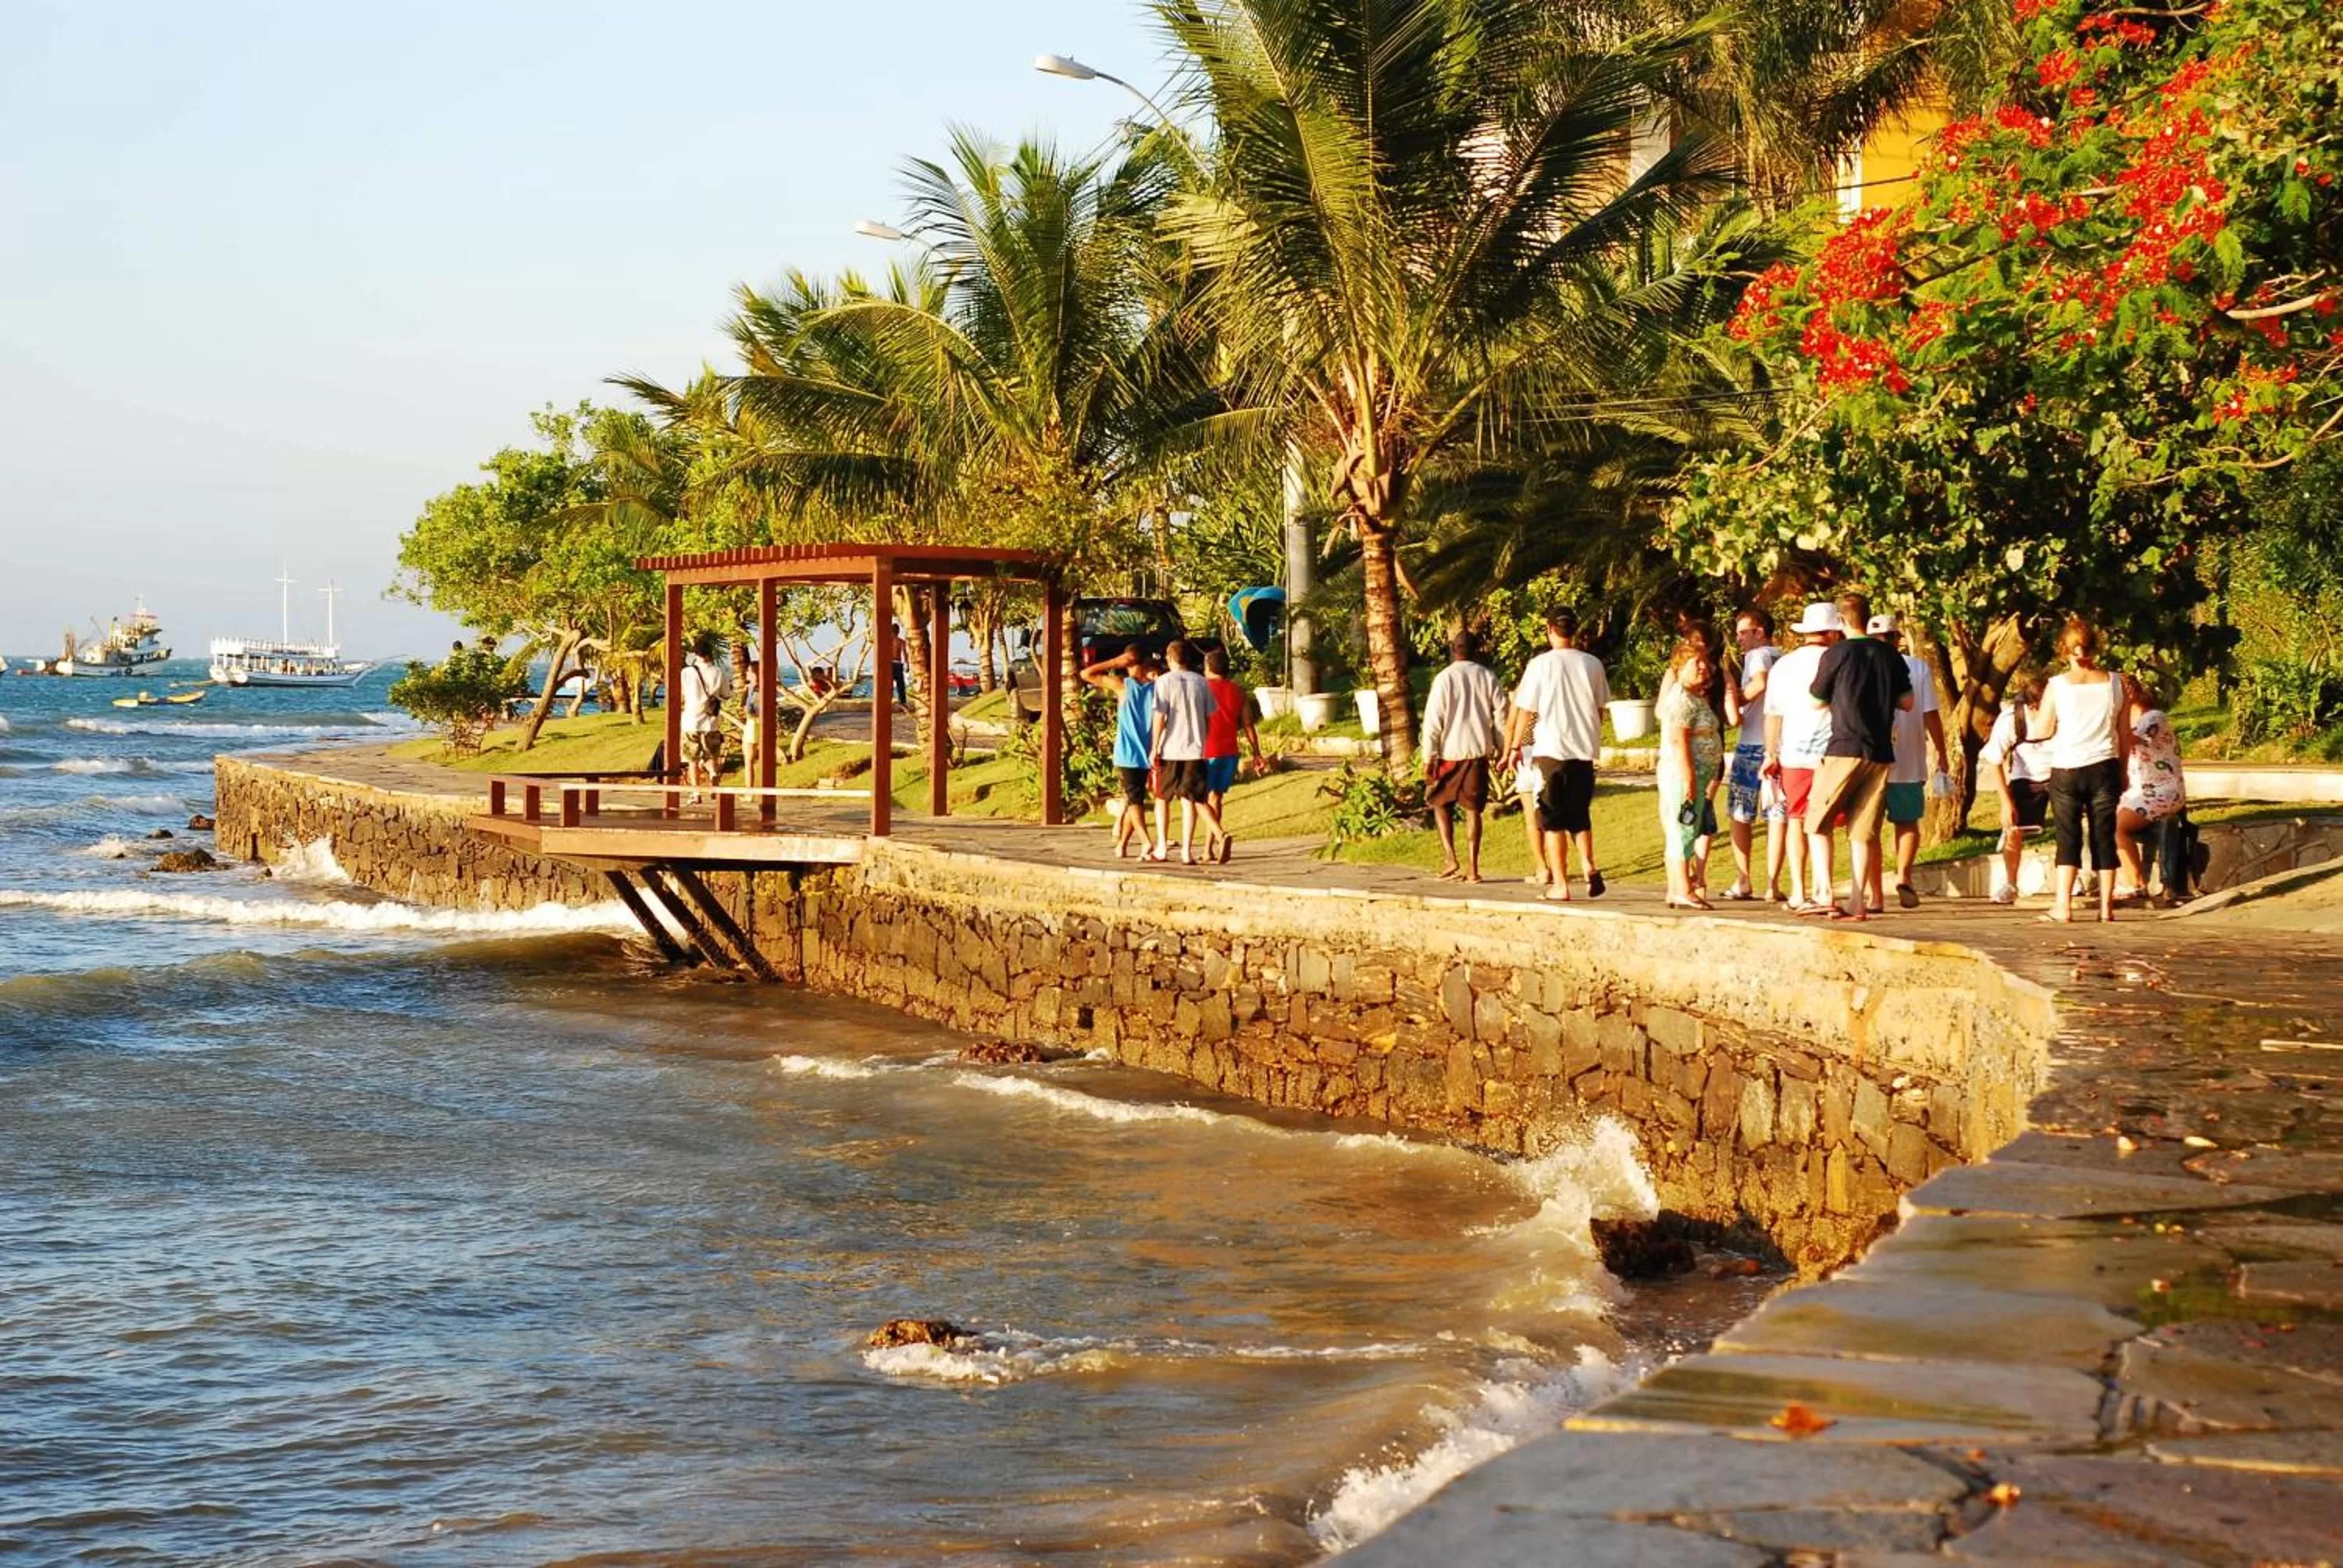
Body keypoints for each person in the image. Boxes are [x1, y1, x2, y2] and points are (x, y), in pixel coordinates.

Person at [1803, 591, 1913, 922]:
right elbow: (1907, 702)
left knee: (1816, 822)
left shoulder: (1837, 653)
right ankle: (1857, 901)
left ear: (1841, 620)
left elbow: (1815, 699)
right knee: (1862, 831)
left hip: (1844, 747)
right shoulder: (1891, 656)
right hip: (1880, 752)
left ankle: (1823, 893)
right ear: (1868, 617)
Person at [2025, 618, 2132, 923]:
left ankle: (2063, 907)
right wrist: (2123, 772)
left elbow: (2042, 729)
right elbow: (2123, 732)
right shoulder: (2115, 682)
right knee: (2104, 836)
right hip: (2105, 766)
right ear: (2095, 647)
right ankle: (2106, 908)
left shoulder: (2057, 686)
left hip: (2067, 767)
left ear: (2063, 649)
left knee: (2068, 836)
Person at [1504, 609, 1610, 902]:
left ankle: (1561, 884)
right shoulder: (1592, 664)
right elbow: (1600, 709)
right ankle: (1589, 864)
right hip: (1583, 749)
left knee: (1552, 818)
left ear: (1550, 630)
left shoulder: (1539, 665)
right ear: (1574, 631)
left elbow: (1527, 710)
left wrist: (1514, 747)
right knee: (1579, 814)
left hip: (1550, 749)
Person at [1760, 602, 1844, 912]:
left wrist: (1771, 752)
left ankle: (1798, 888)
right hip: (1832, 752)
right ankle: (1824, 887)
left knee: (1796, 818)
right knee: (1823, 823)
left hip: (1793, 753)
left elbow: (1773, 714)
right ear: (1833, 632)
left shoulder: (1784, 665)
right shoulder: (1839, 659)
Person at [1866, 614, 1949, 911]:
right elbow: (1930, 713)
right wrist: (1941, 751)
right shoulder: (1916, 667)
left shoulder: (1863, 664)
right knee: (1906, 821)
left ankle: (1875, 894)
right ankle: (1903, 876)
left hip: (1871, 758)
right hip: (1908, 758)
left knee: (1869, 828)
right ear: (1897, 638)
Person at [1421, 629, 1507, 882]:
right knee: (1473, 810)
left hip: (1450, 753)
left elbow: (1432, 722)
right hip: (1478, 752)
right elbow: (1501, 717)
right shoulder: (1488, 677)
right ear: (1477, 650)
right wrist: (1502, 748)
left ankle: (1450, 857)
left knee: (1438, 801)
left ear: (1453, 649)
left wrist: (1429, 756)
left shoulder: (1444, 679)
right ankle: (1473, 867)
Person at [1657, 636, 1724, 910]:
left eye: (1705, 664)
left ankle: (1677, 889)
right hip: (1683, 775)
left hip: (1692, 775)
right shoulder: (1682, 699)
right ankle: (1684, 888)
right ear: (1680, 667)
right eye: (1697, 663)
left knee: (1681, 829)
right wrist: (1690, 779)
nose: (1703, 668)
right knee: (1683, 830)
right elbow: (1679, 740)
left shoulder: (1693, 697)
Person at [1721, 608, 1785, 901]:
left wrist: (1734, 701)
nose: (1739, 640)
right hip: (1779, 744)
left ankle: (1743, 878)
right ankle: (1773, 884)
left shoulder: (1757, 656)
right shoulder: (1783, 657)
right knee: (1777, 815)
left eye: (1743, 633)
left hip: (1752, 743)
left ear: (1760, 632)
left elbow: (1759, 683)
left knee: (1740, 813)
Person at [1977, 677, 2053, 904]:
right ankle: (2010, 884)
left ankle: (2078, 876)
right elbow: (1994, 760)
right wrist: (2005, 802)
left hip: (2061, 772)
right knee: (2013, 829)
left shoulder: (2063, 712)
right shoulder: (2012, 718)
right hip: (2026, 776)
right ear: (2032, 706)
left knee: (2072, 825)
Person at [2115, 672, 2187, 905]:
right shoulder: (2127, 721)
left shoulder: (2153, 718)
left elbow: (2127, 741)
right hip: (2140, 791)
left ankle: (2136, 883)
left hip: (2162, 790)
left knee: (2116, 827)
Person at [1150, 639, 1225, 864]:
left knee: (1162, 797)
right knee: (1189, 800)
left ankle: (1162, 845)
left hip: (1170, 748)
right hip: (1195, 749)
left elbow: (1159, 716)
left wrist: (1154, 746)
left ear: (1171, 658)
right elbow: (1209, 716)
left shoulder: (1163, 682)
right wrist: (1204, 740)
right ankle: (1187, 851)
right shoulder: (1201, 682)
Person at [1081, 643, 1157, 859]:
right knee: (1133, 799)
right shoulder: (1154, 688)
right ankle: (1122, 844)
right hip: (1147, 751)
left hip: (1128, 753)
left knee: (1134, 801)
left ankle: (1144, 841)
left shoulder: (1123, 685)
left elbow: (1086, 673)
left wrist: (1115, 662)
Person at [1201, 647, 1262, 858]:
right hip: (1229, 750)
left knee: (1197, 800)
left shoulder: (1203, 688)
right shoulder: (1238, 691)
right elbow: (1248, 724)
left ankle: (1213, 841)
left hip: (1206, 750)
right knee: (1216, 798)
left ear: (1208, 668)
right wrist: (1257, 753)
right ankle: (1209, 848)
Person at [679, 632, 733, 800]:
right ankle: (713, 776)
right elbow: (726, 694)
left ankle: (695, 793)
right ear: (711, 654)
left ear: (696, 655)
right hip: (712, 722)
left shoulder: (687, 672)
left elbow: (682, 694)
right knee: (712, 755)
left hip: (691, 721)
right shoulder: (719, 672)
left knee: (692, 760)